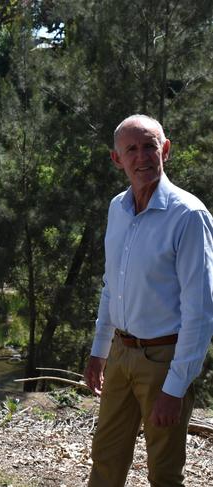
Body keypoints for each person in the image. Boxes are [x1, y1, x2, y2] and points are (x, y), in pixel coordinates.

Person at [84, 114, 213, 486]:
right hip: (122, 355)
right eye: (131, 150)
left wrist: (175, 388)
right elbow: (113, 286)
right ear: (117, 159)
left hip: (164, 359)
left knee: (164, 472)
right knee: (105, 459)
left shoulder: (188, 216)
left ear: (166, 150)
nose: (142, 157)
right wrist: (100, 350)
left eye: (149, 147)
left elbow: (201, 312)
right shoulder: (118, 209)